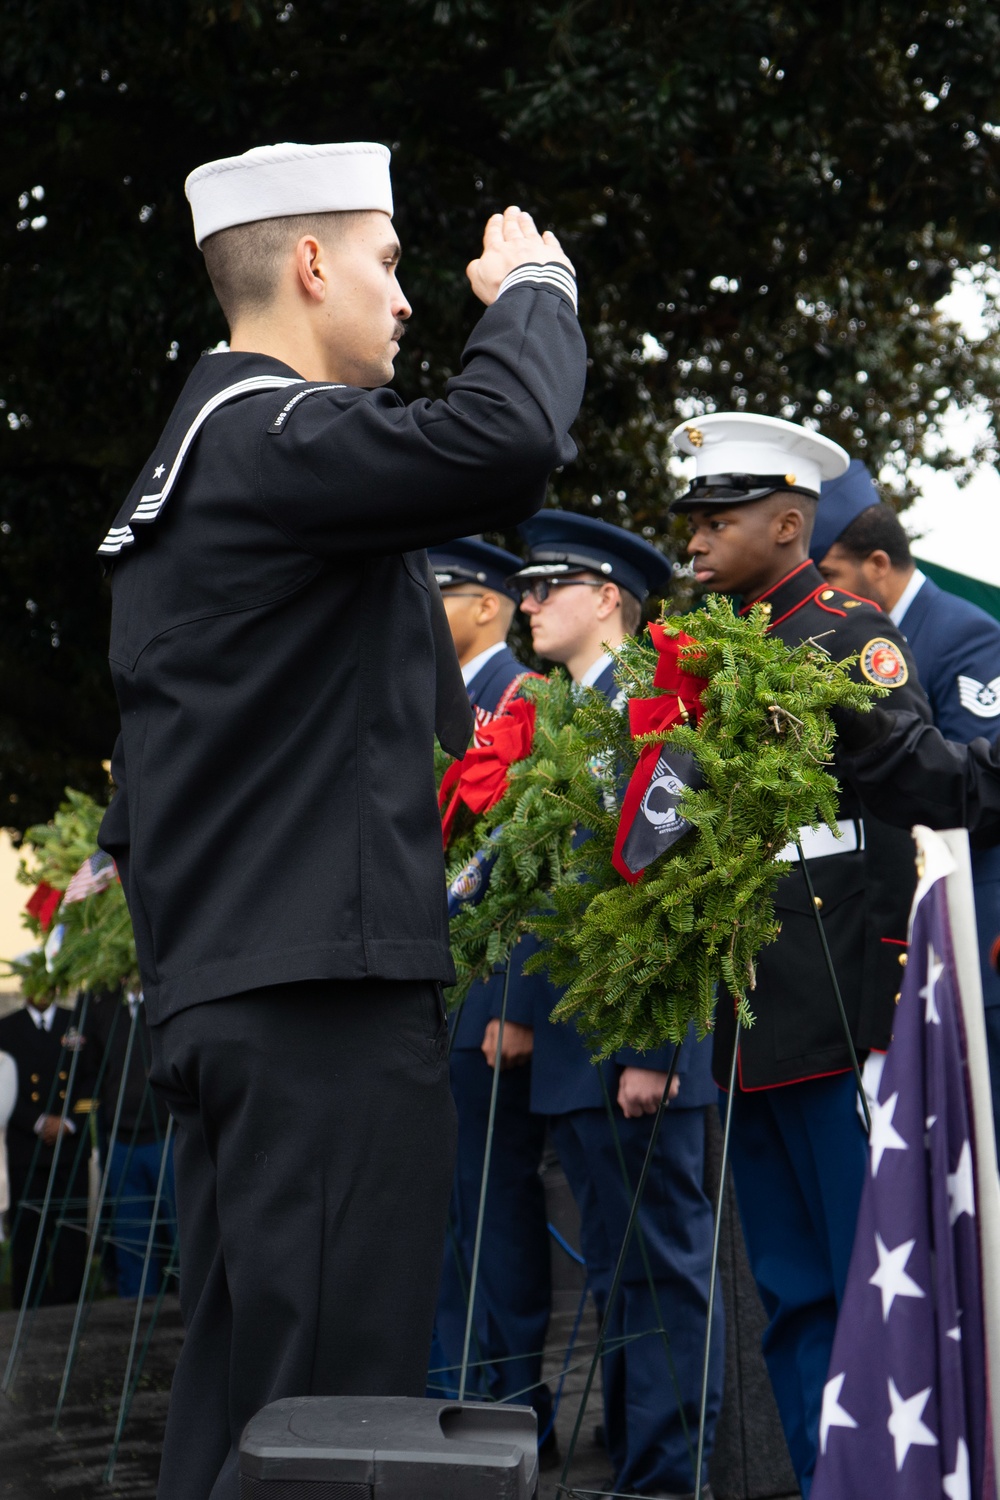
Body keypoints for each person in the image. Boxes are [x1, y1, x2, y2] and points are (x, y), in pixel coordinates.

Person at [96, 139, 586, 1500]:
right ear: (310, 265)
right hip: (316, 998)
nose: (410, 298)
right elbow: (506, 440)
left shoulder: (212, 456)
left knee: (258, 1404)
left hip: (253, 988)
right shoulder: (270, 432)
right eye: (386, 261)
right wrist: (537, 289)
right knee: (331, 1417)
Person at [670, 412, 933, 1496]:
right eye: (689, 518)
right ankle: (826, 1476)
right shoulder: (707, 652)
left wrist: (880, 1015)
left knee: (869, 1285)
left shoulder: (837, 634)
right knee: (787, 1292)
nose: (691, 538)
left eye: (715, 517)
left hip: (833, 1019)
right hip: (750, 1022)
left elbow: (899, 820)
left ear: (788, 522)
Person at [508, 510, 724, 1500]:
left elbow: (682, 886)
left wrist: (658, 1045)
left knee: (663, 1279)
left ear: (606, 599)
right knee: (614, 1282)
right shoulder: (560, 717)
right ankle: (642, 1467)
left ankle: (669, 1476)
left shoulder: (656, 705)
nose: (525, 603)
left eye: (545, 587)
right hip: (573, 1053)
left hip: (634, 1052)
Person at [811, 460, 1000, 1149]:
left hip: (966, 936)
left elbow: (971, 793)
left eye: (827, 577)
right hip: (879, 936)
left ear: (880, 564)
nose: (817, 596)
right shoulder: (837, 642)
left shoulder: (962, 634)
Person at [427, 535, 556, 1460]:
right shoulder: (439, 694)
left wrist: (509, 998)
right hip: (429, 987)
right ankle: (445, 1397)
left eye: (439, 594)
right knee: (438, 1213)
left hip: (485, 993)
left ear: (486, 606)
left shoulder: (525, 698)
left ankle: (512, 1413)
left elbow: (535, 866)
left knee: (492, 1210)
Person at [0, 992, 90, 1307]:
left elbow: (93, 1078)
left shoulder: (77, 1022)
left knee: (71, 1233)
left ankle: (70, 1304)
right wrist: (37, 1122)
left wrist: (69, 1122)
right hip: (28, 1147)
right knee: (28, 1234)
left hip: (71, 1147)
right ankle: (29, 1305)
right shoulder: (6, 1028)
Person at [85, 990, 176, 1298]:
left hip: (168, 1136)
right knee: (131, 1240)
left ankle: (191, 1316)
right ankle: (134, 1312)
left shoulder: (166, 990)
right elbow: (92, 1066)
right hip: (122, 1139)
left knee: (182, 1234)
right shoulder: (102, 1003)